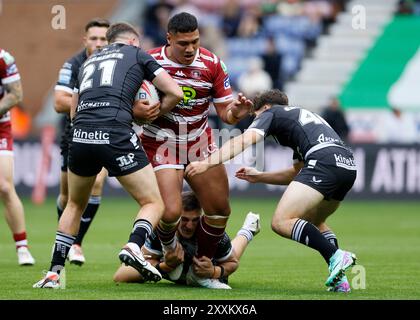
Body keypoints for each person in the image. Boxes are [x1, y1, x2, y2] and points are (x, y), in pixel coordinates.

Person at [33, 22, 184, 289]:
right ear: (133, 41)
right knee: (153, 203)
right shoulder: (137, 54)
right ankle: (134, 246)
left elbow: (73, 111)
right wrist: (153, 114)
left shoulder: (87, 62)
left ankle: (53, 273)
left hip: (79, 135)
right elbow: (175, 92)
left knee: (73, 205)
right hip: (115, 132)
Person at [186, 89, 357, 293]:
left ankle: (338, 256)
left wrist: (207, 164)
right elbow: (297, 173)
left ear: (265, 107)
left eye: (255, 116)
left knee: (281, 221)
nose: (256, 120)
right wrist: (260, 177)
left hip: (323, 161)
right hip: (346, 165)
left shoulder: (270, 113)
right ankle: (339, 278)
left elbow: (244, 141)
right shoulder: (300, 120)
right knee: (315, 221)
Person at [137, 12, 253, 289]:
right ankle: (170, 252)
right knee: (170, 212)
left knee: (219, 209)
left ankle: (202, 269)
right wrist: (138, 110)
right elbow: (134, 105)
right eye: (183, 43)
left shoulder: (212, 63)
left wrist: (236, 112)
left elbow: (226, 113)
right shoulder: (149, 62)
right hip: (161, 142)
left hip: (199, 143)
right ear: (169, 39)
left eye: (195, 41)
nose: (190, 49)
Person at [113, 191, 260, 289]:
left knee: (230, 252)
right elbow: (120, 275)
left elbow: (232, 263)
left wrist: (214, 271)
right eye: (184, 219)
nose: (189, 226)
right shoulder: (161, 230)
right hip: (174, 272)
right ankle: (248, 230)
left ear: (201, 217)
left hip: (206, 272)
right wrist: (166, 267)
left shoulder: (213, 233)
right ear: (176, 217)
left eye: (195, 220)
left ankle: (247, 231)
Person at [54, 18, 110, 265]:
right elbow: (58, 102)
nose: (99, 43)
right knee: (68, 198)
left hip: (108, 133)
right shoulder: (73, 63)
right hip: (75, 134)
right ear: (85, 40)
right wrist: (95, 102)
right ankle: (66, 237)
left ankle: (76, 243)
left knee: (97, 182)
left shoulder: (118, 64)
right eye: (94, 38)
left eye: (104, 39)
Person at [0, 48, 35, 266]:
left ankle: (22, 247)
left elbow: (16, 94)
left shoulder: (4, 58)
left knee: (4, 186)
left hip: (0, 127)